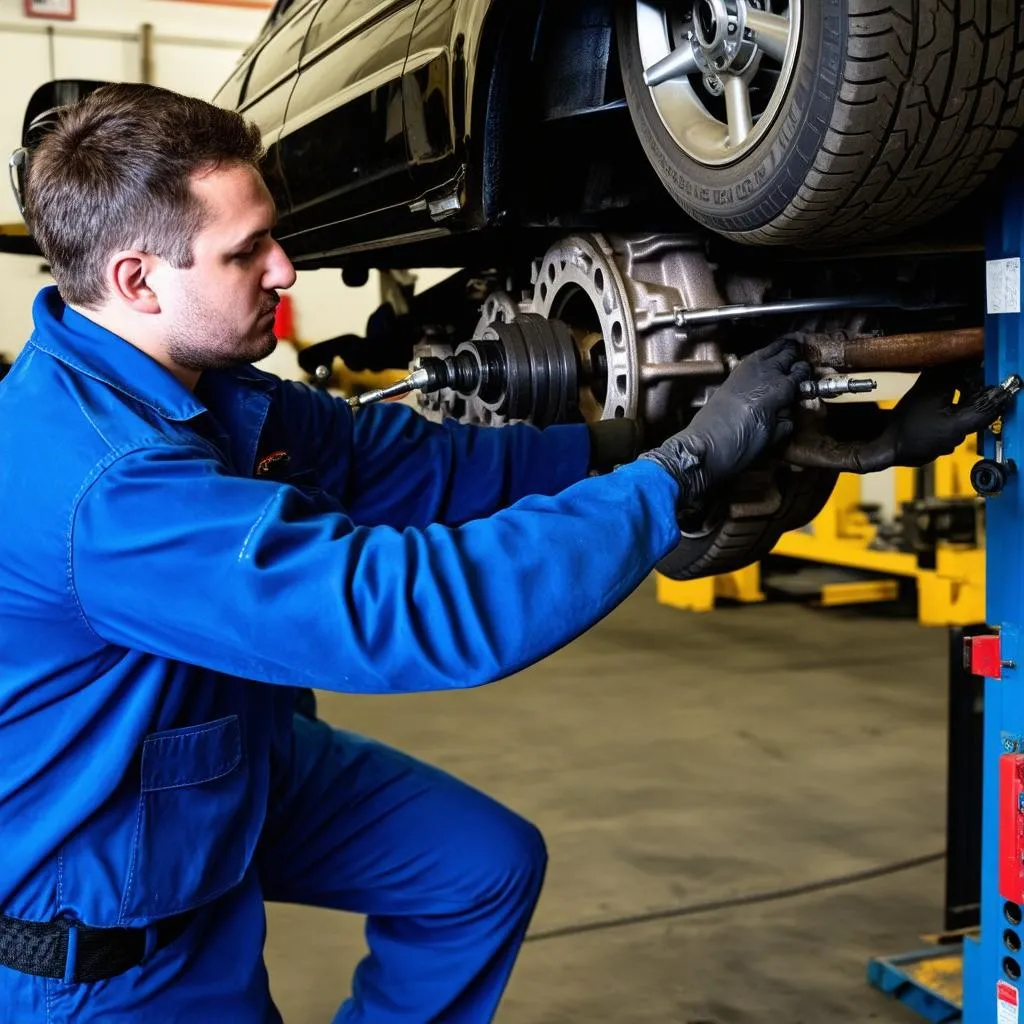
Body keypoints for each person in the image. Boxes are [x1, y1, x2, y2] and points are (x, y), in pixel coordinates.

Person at [0, 83, 1006, 1024]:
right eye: (248, 250)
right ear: (136, 278)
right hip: (113, 925)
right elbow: (411, 608)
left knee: (479, 864)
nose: (286, 270)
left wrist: (692, 439)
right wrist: (676, 476)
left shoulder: (203, 383)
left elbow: (418, 463)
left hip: (213, 761)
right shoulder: (108, 487)